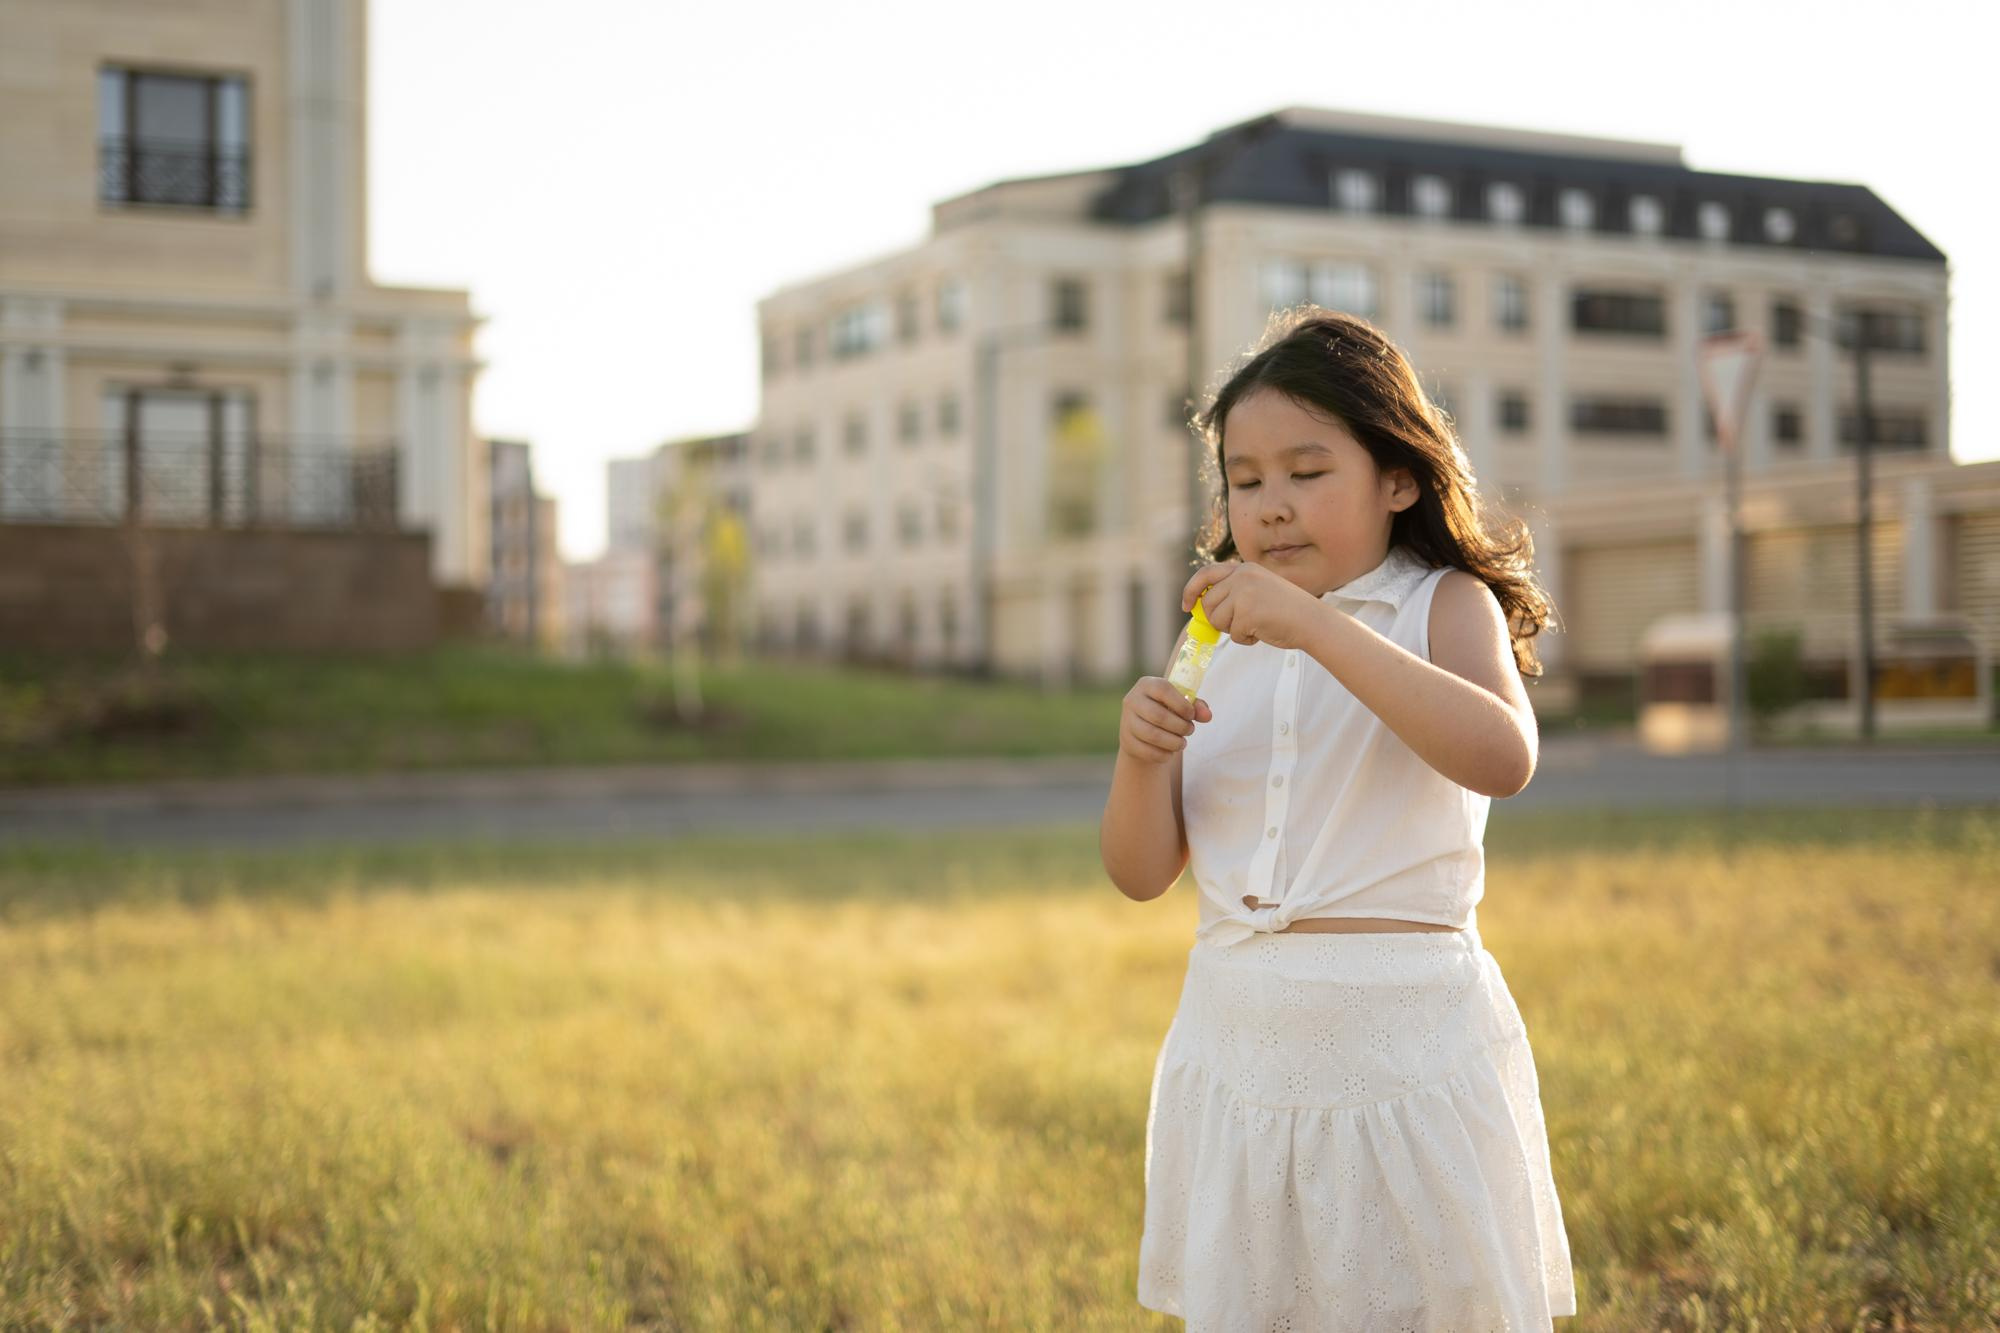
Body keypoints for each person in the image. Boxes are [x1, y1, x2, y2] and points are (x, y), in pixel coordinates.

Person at [1101, 306, 1577, 1329]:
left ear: (1395, 477)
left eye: (1306, 472)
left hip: (1396, 1046)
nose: (1269, 507)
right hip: (1240, 1045)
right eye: (1244, 478)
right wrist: (1139, 759)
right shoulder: (1213, 638)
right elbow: (1140, 873)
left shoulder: (1441, 604)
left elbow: (1501, 757)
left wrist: (1315, 627)